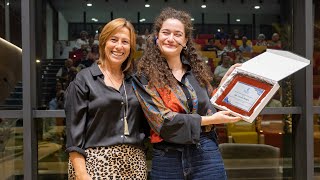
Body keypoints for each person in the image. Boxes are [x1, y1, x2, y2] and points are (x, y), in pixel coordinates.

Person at [133, 7, 242, 180]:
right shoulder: (143, 77)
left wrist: (227, 82)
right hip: (167, 157)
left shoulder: (197, 73)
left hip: (206, 151)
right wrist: (210, 120)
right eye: (166, 32)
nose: (170, 38)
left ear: (185, 41)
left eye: (177, 34)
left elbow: (211, 106)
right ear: (157, 36)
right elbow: (162, 121)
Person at [65, 18, 148, 179]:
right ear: (103, 42)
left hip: (135, 165)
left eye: (125, 42)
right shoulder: (84, 79)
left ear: (130, 48)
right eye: (114, 40)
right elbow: (74, 133)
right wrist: (81, 174)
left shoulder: (136, 81)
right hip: (95, 163)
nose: (119, 46)